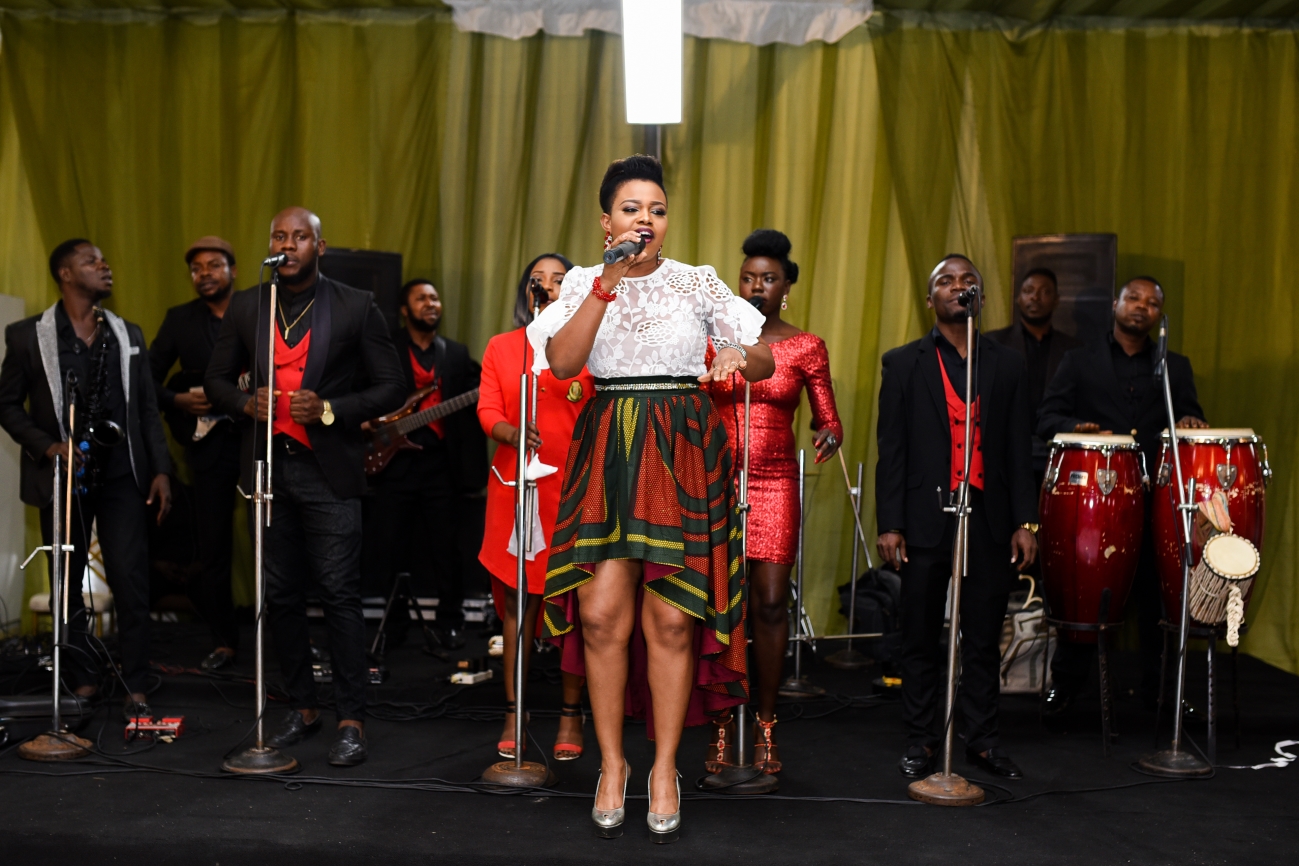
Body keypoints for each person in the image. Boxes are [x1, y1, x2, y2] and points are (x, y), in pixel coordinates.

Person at [529, 155, 773, 841]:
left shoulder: (696, 281)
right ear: (606, 221)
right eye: (631, 209)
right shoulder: (584, 281)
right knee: (601, 615)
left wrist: (735, 356)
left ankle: (664, 768)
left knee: (670, 621)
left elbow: (763, 356)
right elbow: (564, 363)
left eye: (657, 210)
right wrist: (605, 284)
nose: (645, 220)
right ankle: (613, 765)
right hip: (608, 446)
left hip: (680, 448)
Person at [205, 207, 405, 767]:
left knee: (338, 593)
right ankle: (302, 705)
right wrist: (244, 402)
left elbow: (392, 386)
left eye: (300, 237)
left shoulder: (355, 304)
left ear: (321, 246)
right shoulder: (249, 304)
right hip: (267, 469)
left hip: (328, 471)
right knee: (280, 596)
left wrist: (331, 408)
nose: (288, 245)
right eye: (279, 236)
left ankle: (351, 718)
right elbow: (215, 380)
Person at [875, 253, 1038, 781]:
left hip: (989, 518)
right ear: (930, 299)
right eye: (945, 280)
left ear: (980, 298)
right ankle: (922, 739)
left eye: (968, 281)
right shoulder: (903, 363)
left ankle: (983, 740)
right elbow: (892, 450)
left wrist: (1026, 521)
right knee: (920, 635)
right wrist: (890, 523)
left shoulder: (1008, 365)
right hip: (924, 518)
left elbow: (1019, 447)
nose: (957, 286)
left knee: (984, 636)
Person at [0, 239, 172, 721]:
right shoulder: (26, 336)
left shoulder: (127, 334)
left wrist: (161, 470)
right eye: (91, 261)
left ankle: (136, 685)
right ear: (65, 274)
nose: (104, 265)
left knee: (131, 580)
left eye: (103, 259)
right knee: (66, 583)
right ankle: (83, 677)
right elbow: (6, 405)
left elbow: (147, 410)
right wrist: (48, 445)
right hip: (61, 478)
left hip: (121, 476)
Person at [701, 229, 842, 775]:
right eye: (747, 277)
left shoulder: (806, 346)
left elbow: (828, 419)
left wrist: (828, 433)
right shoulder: (712, 340)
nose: (756, 286)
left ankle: (764, 721)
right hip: (716, 482)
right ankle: (719, 722)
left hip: (776, 482)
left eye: (767, 278)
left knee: (769, 602)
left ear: (785, 288)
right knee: (719, 606)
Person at [1036, 276, 1207, 715]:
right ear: (1115, 304)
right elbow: (1047, 417)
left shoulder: (1175, 366)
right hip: (1099, 504)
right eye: (1134, 298)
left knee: (1159, 599)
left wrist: (1190, 422)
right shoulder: (1079, 360)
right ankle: (1067, 689)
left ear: (1159, 316)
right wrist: (1076, 427)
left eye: (1152, 303)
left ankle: (1162, 693)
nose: (1141, 307)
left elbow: (1191, 417)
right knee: (1088, 593)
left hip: (1159, 500)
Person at [477, 253, 594, 762]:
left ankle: (571, 713)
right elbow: (487, 409)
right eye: (536, 280)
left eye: (559, 280)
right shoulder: (502, 347)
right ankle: (514, 710)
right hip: (516, 490)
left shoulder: (589, 348)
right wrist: (509, 432)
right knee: (516, 603)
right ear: (525, 291)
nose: (545, 287)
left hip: (574, 492)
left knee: (576, 606)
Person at [364, 278, 486, 653]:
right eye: (421, 299)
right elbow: (365, 392)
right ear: (405, 310)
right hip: (394, 463)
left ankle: (451, 622)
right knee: (390, 548)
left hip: (441, 465)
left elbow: (478, 396)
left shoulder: (455, 353)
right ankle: (394, 624)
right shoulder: (386, 349)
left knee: (447, 549)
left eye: (435, 298)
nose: (430, 304)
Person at [150, 236, 244, 672]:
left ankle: (291, 639)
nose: (204, 273)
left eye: (213, 265)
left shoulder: (258, 310)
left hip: (259, 439)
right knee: (213, 546)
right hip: (208, 446)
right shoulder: (179, 320)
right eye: (196, 268)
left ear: (233, 271)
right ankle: (224, 641)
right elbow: (146, 379)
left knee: (280, 541)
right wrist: (177, 400)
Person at [986, 268, 1081, 480]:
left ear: (1056, 300)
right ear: (1018, 298)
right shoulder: (993, 343)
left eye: (1044, 292)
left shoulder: (1075, 350)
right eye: (1028, 291)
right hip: (1004, 451)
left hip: (1058, 452)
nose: (1035, 297)